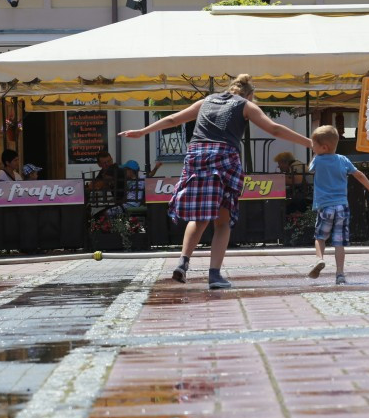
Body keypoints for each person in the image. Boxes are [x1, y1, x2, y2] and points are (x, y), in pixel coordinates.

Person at [119, 73, 312, 289]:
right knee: (222, 221)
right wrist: (309, 142)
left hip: (196, 155)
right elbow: (274, 129)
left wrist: (143, 131)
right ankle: (214, 275)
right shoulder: (246, 105)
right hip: (223, 157)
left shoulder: (206, 101)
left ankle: (183, 262)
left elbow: (173, 120)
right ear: (250, 94)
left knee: (199, 216)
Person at [306, 125, 369, 285]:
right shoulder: (343, 160)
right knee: (339, 242)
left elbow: (310, 170)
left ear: (324, 147)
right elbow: (359, 174)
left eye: (314, 145)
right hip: (342, 207)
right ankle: (340, 274)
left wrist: (314, 155)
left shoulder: (318, 160)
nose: (312, 148)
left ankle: (319, 259)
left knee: (320, 237)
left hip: (325, 206)